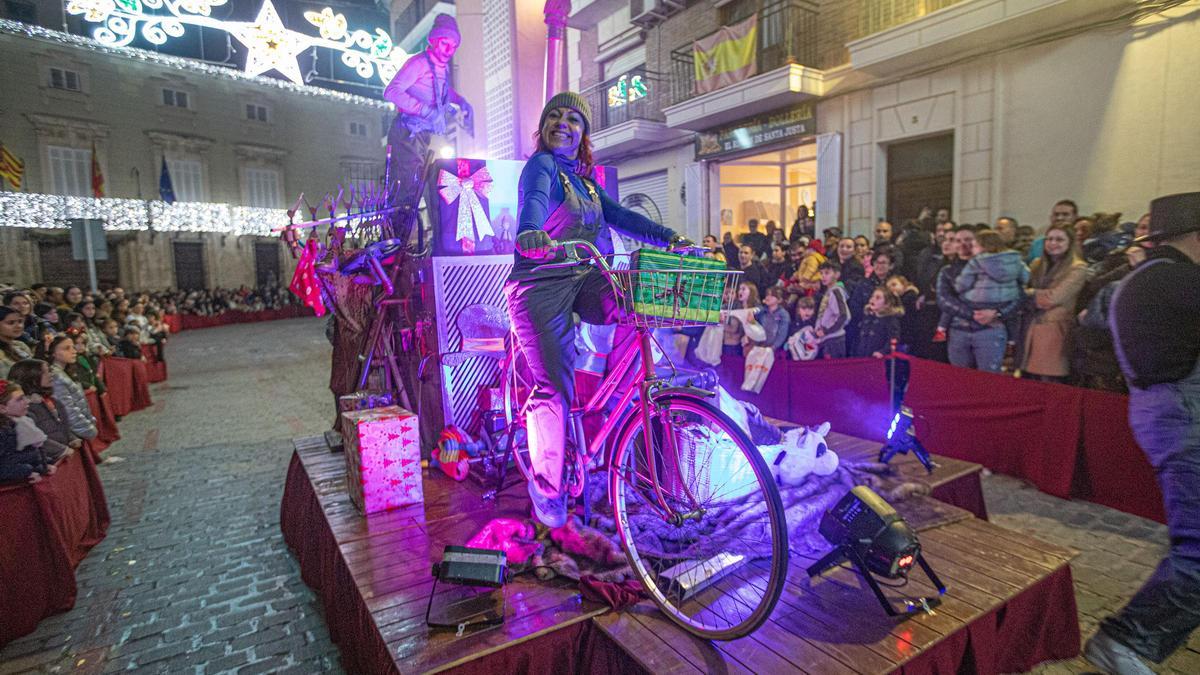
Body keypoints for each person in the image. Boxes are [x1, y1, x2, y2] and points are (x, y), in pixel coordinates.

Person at [505, 92, 686, 528]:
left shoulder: (585, 183)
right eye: (554, 115)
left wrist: (670, 238)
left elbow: (622, 216)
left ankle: (621, 402)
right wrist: (530, 231)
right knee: (554, 387)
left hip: (585, 279)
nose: (562, 123)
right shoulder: (542, 166)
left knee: (638, 302)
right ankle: (546, 487)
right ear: (544, 126)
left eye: (573, 119)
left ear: (584, 132)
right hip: (540, 285)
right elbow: (532, 201)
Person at [1087, 192, 1200, 674]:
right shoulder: (1179, 281)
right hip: (1185, 416)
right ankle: (1126, 640)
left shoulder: (1137, 281)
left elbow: (1089, 329)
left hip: (1160, 410)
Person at [383, 14, 473, 226]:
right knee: (409, 189)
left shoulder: (442, 68)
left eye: (453, 46)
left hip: (425, 136)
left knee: (433, 185)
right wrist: (425, 111)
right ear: (433, 40)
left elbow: (441, 94)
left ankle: (436, 240)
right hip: (407, 133)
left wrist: (460, 101)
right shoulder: (419, 63)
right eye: (444, 43)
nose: (448, 51)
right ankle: (398, 243)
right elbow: (392, 91)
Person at [937, 226, 1021, 373]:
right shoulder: (947, 271)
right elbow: (944, 299)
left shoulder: (1001, 266)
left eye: (968, 240)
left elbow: (1017, 297)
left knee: (989, 381)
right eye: (958, 240)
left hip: (991, 329)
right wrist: (973, 314)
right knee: (960, 380)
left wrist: (997, 313)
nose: (963, 244)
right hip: (959, 330)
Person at [1021, 224, 1087, 382]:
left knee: (1050, 382)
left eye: (1059, 239)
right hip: (1030, 329)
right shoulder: (1037, 264)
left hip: (1055, 332)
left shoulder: (1078, 268)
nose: (1053, 243)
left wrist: (1029, 293)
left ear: (1070, 243)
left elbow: (1053, 298)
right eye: (1049, 239)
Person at [7, 358, 84, 453]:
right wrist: (62, 450)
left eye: (50, 371)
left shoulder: (52, 400)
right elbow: (35, 439)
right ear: (31, 377)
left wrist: (72, 438)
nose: (51, 375)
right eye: (45, 372)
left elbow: (62, 426)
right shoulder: (24, 408)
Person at [39, 335, 98, 441]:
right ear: (52, 353)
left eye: (73, 347)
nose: (74, 351)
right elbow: (67, 410)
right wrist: (88, 429)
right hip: (75, 431)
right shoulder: (56, 377)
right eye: (67, 348)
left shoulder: (65, 371)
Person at [853, 288, 903, 358]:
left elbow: (893, 339)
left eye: (878, 298)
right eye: (872, 296)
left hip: (877, 359)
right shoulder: (867, 317)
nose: (873, 299)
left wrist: (883, 351)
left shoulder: (890, 320)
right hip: (861, 356)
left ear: (887, 304)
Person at [814, 261, 850, 359]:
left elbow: (844, 315)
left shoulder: (836, 291)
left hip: (834, 339)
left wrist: (827, 331)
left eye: (827, 273)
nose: (823, 276)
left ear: (837, 274)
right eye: (821, 273)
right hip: (828, 338)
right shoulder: (829, 291)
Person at [722, 282, 760, 357]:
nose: (740, 291)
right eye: (739, 289)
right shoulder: (735, 305)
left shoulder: (757, 309)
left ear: (751, 292)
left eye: (743, 289)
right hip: (732, 343)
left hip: (749, 345)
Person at [755, 287, 790, 353]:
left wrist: (773, 347)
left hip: (774, 348)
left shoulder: (783, 315)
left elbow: (782, 334)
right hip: (760, 345)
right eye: (767, 295)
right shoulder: (762, 311)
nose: (768, 297)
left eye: (772, 296)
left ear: (779, 300)